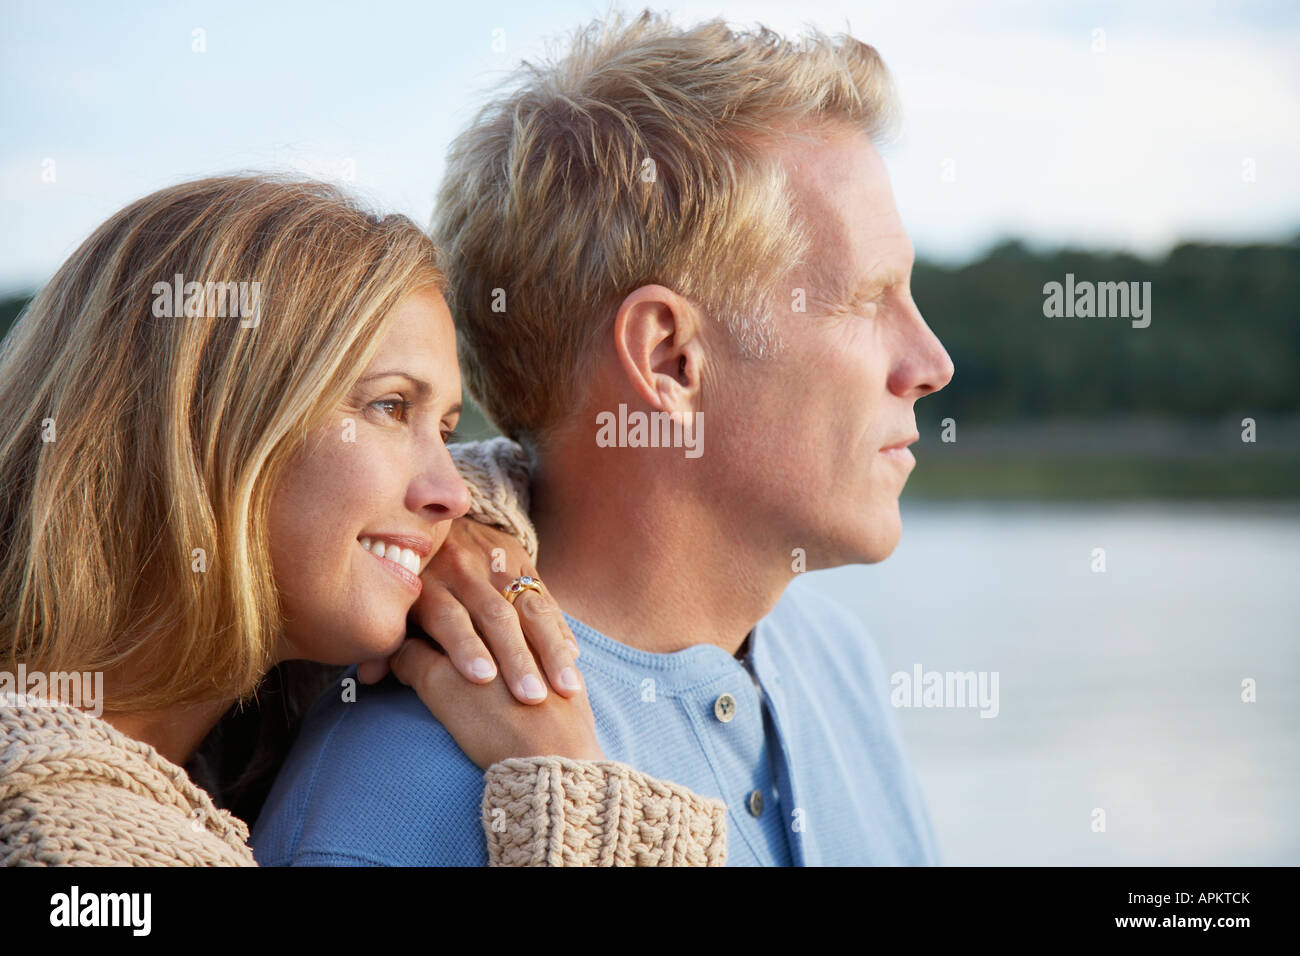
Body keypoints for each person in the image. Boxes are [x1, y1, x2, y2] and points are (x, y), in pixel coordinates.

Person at [252, 11, 955, 867]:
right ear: (669, 358)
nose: (930, 361)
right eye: (867, 299)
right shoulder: (386, 806)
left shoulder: (833, 658)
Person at [0, 175, 727, 866]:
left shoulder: (224, 723)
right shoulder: (61, 833)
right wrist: (579, 796)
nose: (449, 492)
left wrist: (436, 547)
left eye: (445, 431)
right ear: (201, 428)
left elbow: (516, 477)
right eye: (389, 406)